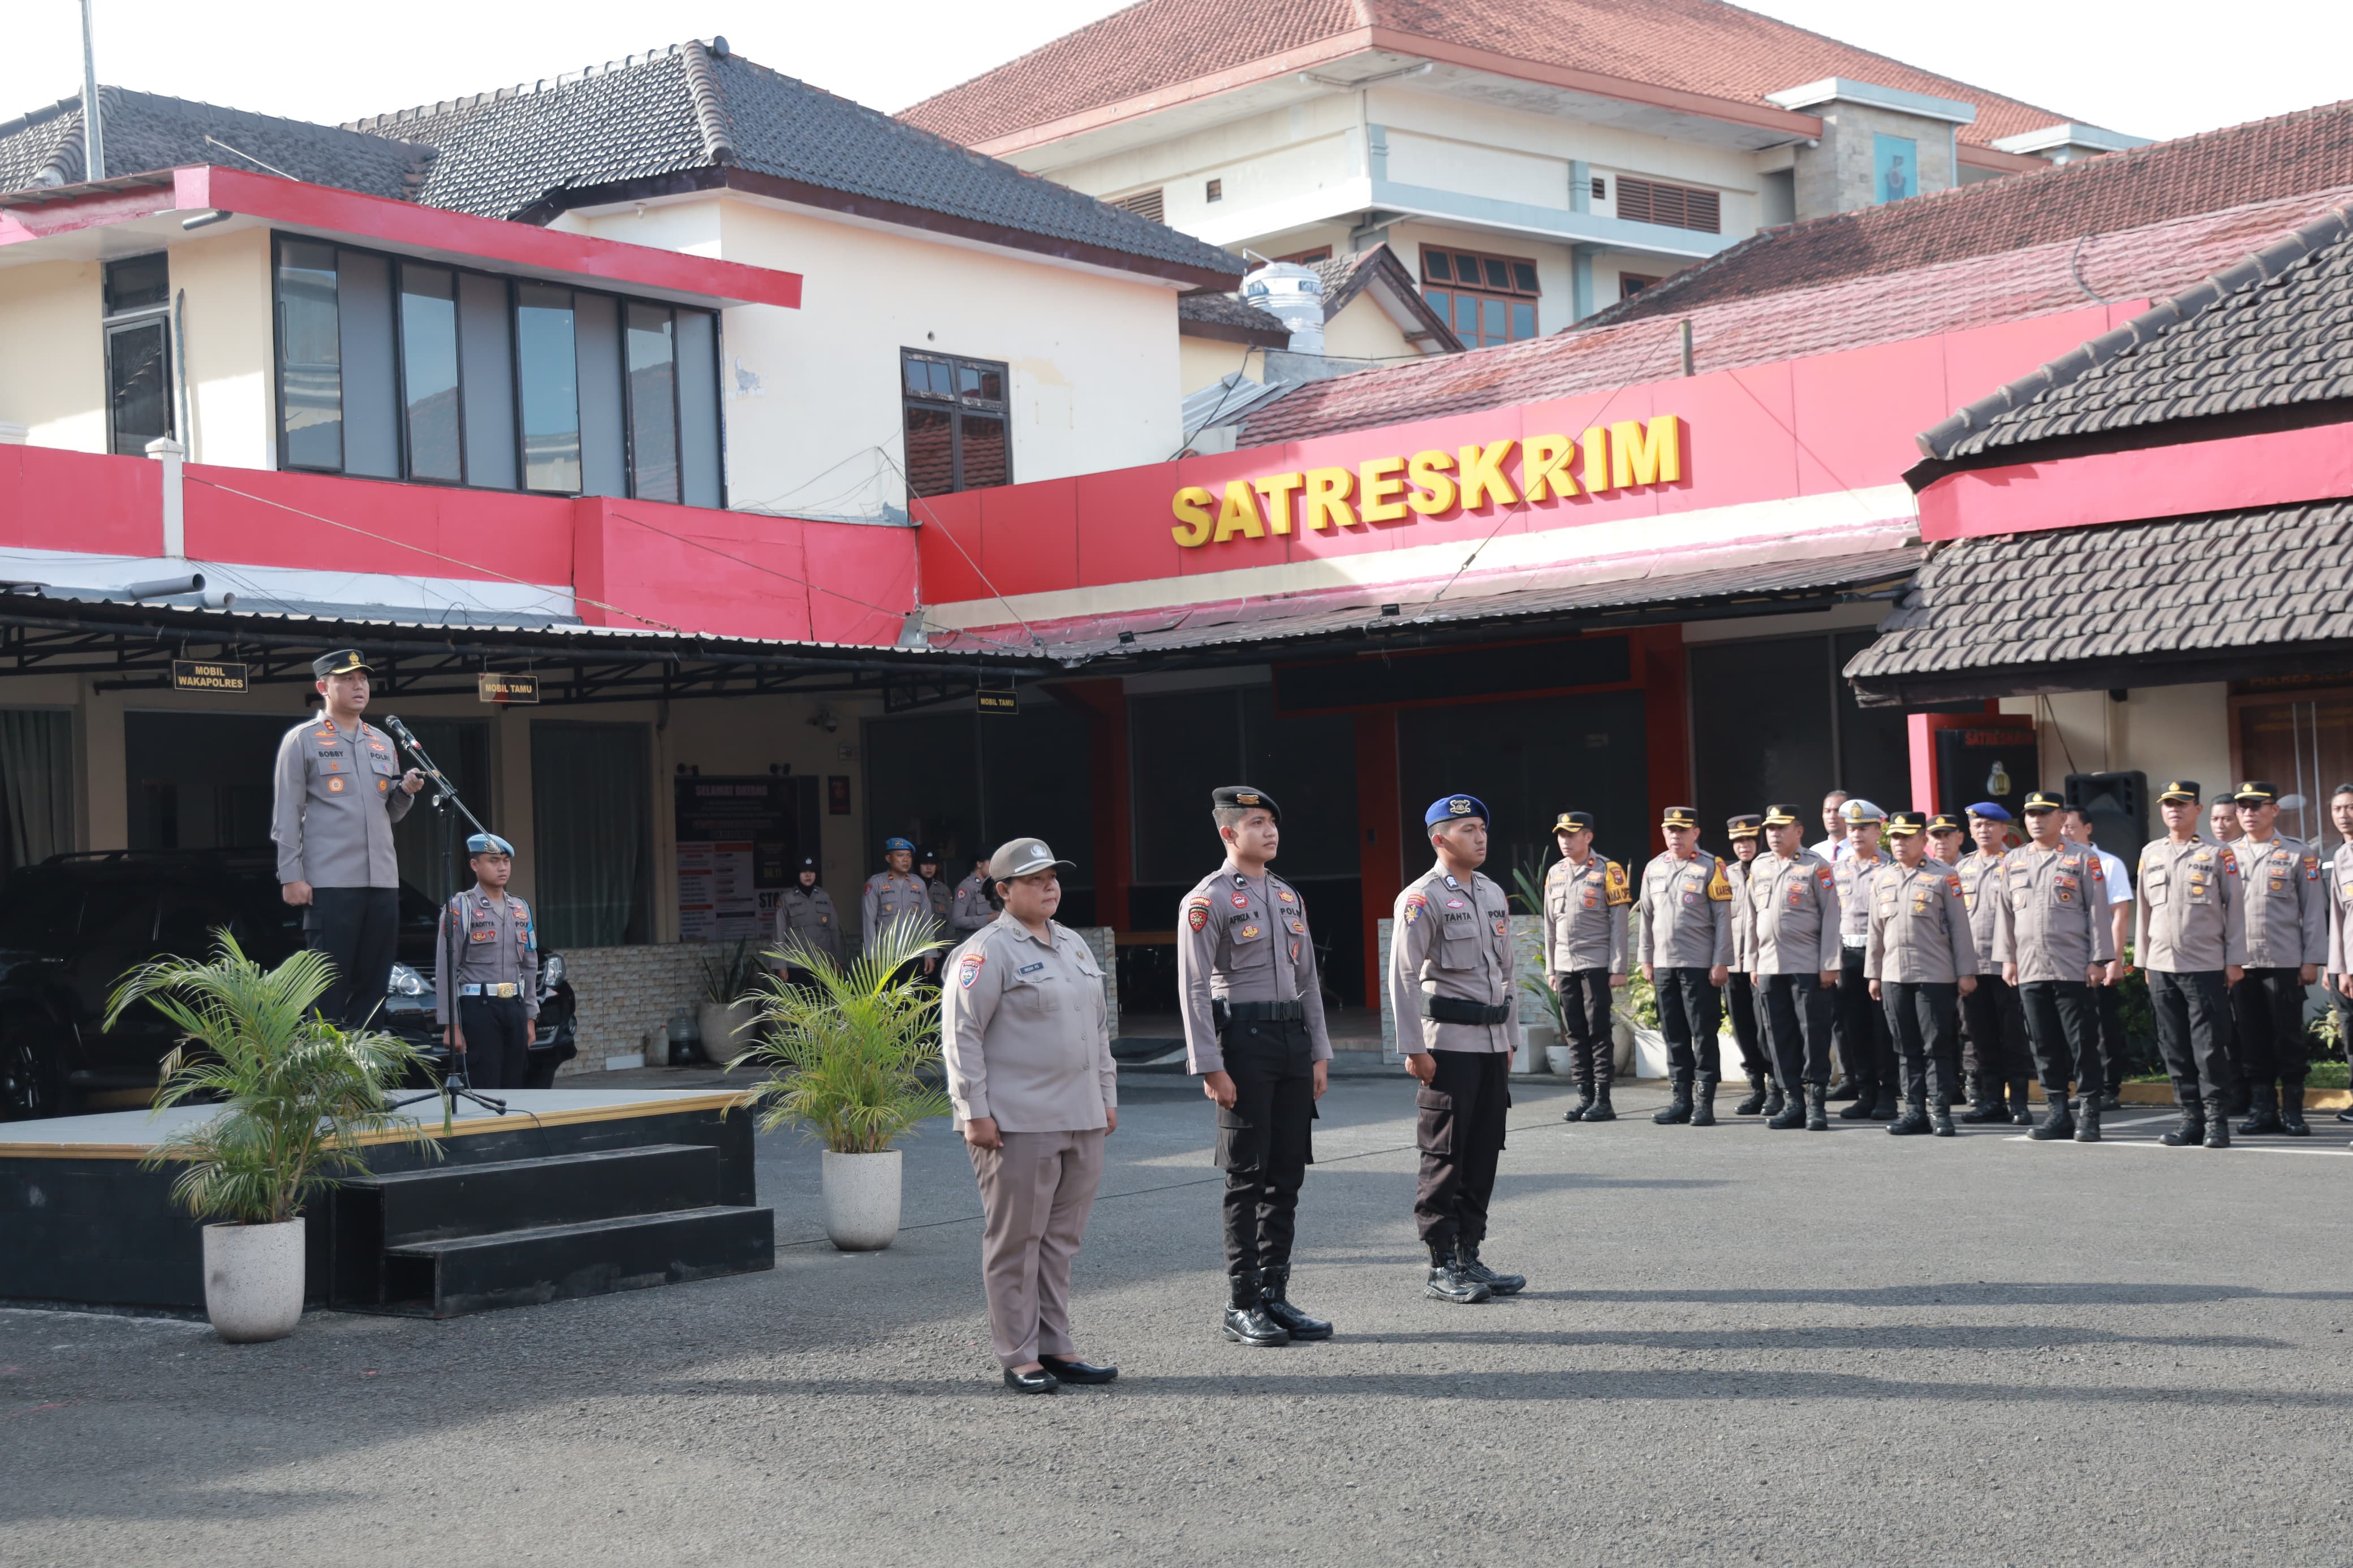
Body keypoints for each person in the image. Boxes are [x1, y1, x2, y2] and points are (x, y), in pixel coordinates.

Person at [939, 837, 1118, 1394]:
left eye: (1053, 876)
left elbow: (1097, 1029)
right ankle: (1019, 1353)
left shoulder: (1073, 945)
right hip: (1017, 1120)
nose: (1049, 885)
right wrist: (973, 1111)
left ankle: (1055, 1345)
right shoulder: (986, 951)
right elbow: (961, 1035)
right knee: (1017, 1240)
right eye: (1034, 878)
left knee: (1061, 1240)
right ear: (1003, 890)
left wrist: (1106, 1094)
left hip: (1079, 1114)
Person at [1175, 785, 1336, 1349]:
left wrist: (1319, 1050)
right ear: (1228, 833)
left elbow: (1308, 980)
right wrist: (1208, 1065)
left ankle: (1275, 1294)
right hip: (1241, 1043)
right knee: (1246, 1175)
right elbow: (1194, 987)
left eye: (1271, 821)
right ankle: (1241, 1301)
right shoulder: (1207, 898)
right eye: (1255, 822)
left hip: (1291, 1040)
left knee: (1286, 1173)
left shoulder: (1289, 897)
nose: (1268, 831)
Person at [1390, 794, 1523, 1306]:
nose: (1481, 836)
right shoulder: (1421, 898)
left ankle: (1470, 1252)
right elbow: (1403, 976)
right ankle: (1441, 1263)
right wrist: (1412, 1045)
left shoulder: (1491, 893)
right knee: (1445, 1154)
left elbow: (1506, 973)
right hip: (1447, 1045)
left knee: (1484, 1150)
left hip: (1491, 1044)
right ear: (1439, 838)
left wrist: (1510, 1036)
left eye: (1483, 828)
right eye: (1467, 829)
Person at [271, 649, 426, 1027]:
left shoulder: (382, 742)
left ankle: (366, 1079)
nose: (359, 686)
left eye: (363, 679)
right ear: (323, 686)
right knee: (328, 989)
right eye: (347, 679)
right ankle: (326, 1080)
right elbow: (287, 813)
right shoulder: (302, 740)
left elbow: (387, 813)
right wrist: (291, 875)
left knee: (374, 989)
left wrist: (404, 792)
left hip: (382, 883)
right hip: (331, 884)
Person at [1991, 789, 2115, 1143]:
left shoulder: (2082, 858)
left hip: (2072, 966)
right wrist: (2008, 959)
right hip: (2030, 967)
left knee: (2081, 1043)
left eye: (2045, 813)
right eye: (2031, 814)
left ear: (2061, 818)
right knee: (2043, 1044)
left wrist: (2098, 959)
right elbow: (2005, 912)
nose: (2037, 820)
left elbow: (2098, 911)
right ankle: (2058, 1113)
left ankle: (2089, 1113)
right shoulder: (2013, 859)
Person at [2136, 781, 2245, 1149]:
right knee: (2175, 1045)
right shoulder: (2151, 852)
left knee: (2210, 1046)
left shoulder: (2219, 853)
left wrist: (2234, 960)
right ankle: (2190, 1119)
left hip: (2206, 964)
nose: (2174, 810)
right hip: (2163, 963)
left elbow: (2236, 910)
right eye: (2168, 804)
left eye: (2182, 804)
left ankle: (2217, 1121)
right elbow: (2144, 910)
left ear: (2197, 809)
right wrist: (2144, 959)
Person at [1864, 812, 1977, 1137]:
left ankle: (1939, 1111)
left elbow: (1960, 929)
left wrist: (1966, 972)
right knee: (1905, 1047)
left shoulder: (1945, 877)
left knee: (1936, 1046)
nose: (1899, 843)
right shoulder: (1882, 878)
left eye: (1907, 837)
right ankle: (1914, 1110)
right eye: (1895, 838)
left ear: (1923, 841)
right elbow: (1875, 933)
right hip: (1894, 976)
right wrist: (1874, 975)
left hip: (1935, 975)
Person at [2226, 781, 2328, 1137]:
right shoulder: (2226, 855)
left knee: (2288, 1039)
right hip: (2241, 964)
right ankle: (2262, 1110)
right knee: (2250, 1038)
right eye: (2243, 807)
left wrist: (2312, 959)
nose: (2249, 814)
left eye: (2257, 806)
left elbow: (2314, 911)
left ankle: (2294, 1112)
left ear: (2274, 810)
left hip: (2284, 961)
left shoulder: (2300, 854)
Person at [1634, 805, 1733, 1126]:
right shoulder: (1654, 868)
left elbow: (1723, 919)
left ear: (1695, 834)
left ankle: (1704, 1103)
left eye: (1682, 830)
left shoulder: (1711, 867)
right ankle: (1681, 1100)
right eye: (1670, 830)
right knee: (1673, 1033)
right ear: (1664, 833)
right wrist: (1646, 959)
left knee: (1703, 1034)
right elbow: (1646, 918)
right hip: (1663, 964)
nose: (1675, 836)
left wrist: (1721, 962)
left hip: (1699, 965)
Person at [1744, 803, 1841, 1130]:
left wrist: (1829, 964)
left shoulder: (1817, 866)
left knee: (1812, 1034)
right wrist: (1752, 962)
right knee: (1778, 1035)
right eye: (1770, 829)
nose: (1774, 834)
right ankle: (1792, 1101)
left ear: (1798, 832)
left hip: (1808, 965)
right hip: (1770, 965)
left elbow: (1831, 916)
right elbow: (1751, 918)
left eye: (1781, 828)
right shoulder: (1759, 866)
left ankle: (1816, 1104)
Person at [1541, 810, 1631, 1124]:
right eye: (1561, 835)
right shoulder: (1555, 872)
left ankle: (1603, 1099)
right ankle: (1584, 1097)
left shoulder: (1609, 870)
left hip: (1596, 964)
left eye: (1571, 834)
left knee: (1599, 1032)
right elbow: (1550, 925)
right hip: (1565, 965)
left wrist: (1619, 967)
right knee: (1575, 1033)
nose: (1565, 840)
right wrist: (1551, 969)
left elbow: (1619, 924)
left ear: (1588, 837)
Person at [434, 832, 538, 1090]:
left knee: (516, 1084)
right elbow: (446, 967)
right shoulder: (460, 908)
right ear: (475, 865)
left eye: (505, 861)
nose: (502, 867)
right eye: (493, 860)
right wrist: (451, 1025)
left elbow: (530, 965)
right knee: (485, 1083)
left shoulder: (521, 908)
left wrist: (530, 1017)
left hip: (514, 1006)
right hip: (478, 1007)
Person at [1954, 803, 2035, 1125]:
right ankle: (1991, 1101)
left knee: (2013, 1035)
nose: (1984, 830)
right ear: (1970, 831)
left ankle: (2018, 1103)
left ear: (2005, 829)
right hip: (1974, 967)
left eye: (1991, 825)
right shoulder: (1962, 868)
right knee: (1980, 1035)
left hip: (2009, 966)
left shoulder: (2017, 863)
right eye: (1978, 825)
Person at [2063, 805, 2136, 1110]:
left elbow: (2119, 915)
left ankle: (2108, 1088)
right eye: (2061, 826)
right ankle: (2082, 1086)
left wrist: (2115, 960)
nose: (2065, 832)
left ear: (2088, 829)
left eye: (2071, 826)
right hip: (2067, 958)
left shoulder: (2108, 864)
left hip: (2099, 955)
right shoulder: (2060, 862)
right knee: (2074, 1027)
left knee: (2103, 1027)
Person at [1831, 799, 1898, 1120]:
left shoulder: (1889, 868)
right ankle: (1865, 1093)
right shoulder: (1838, 869)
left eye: (1863, 828)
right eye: (1852, 828)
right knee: (1853, 1028)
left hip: (1880, 956)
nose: (1856, 834)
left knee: (1882, 1029)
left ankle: (1888, 1095)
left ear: (1878, 830)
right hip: (1847, 955)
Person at [1721, 814, 1779, 1117]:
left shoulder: (1771, 870)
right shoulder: (1726, 875)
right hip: (1733, 965)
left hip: (1765, 963)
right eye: (1738, 841)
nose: (1744, 846)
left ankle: (1775, 1088)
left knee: (1767, 1028)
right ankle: (1756, 1087)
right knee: (1743, 1028)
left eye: (1749, 840)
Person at [862, 837, 938, 976]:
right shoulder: (876, 883)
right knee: (890, 997)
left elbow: (927, 921)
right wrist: (873, 957)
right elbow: (869, 923)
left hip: (915, 954)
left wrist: (930, 953)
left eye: (909, 856)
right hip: (887, 957)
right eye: (900, 856)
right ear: (888, 858)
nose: (905, 860)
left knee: (915, 996)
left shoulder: (918, 883)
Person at [2327, 784, 2353, 1126]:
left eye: (2350, 807)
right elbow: (2337, 917)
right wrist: (2338, 969)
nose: (2344, 815)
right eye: (2338, 809)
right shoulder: (2341, 857)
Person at [774, 855, 843, 975]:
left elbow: (834, 931)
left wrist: (838, 961)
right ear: (797, 874)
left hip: (823, 964)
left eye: (812, 871)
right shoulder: (787, 899)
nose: (808, 875)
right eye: (804, 872)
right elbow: (779, 935)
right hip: (797, 964)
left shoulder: (825, 897)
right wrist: (781, 966)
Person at [949, 850, 997, 941]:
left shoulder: (992, 885)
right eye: (990, 863)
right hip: (974, 943)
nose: (993, 867)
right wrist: (988, 918)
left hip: (992, 940)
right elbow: (957, 920)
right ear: (979, 864)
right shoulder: (966, 887)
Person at [1809, 789, 1851, 866]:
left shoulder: (1861, 851)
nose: (1832, 816)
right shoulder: (1815, 852)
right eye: (1827, 811)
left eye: (1838, 811)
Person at [917, 846, 953, 929]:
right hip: (917, 940)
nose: (929, 867)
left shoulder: (943, 890)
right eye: (925, 864)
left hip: (939, 940)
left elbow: (950, 921)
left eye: (933, 864)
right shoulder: (910, 888)